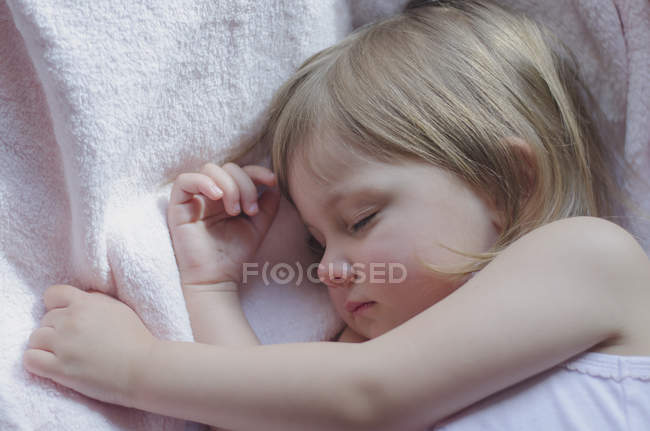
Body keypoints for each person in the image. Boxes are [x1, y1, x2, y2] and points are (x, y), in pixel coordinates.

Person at [23, 1, 650, 430]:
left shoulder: (592, 259)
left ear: (507, 180)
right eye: (316, 246)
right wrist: (210, 289)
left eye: (361, 219)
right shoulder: (366, 354)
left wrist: (138, 370)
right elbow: (265, 414)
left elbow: (367, 395)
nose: (326, 272)